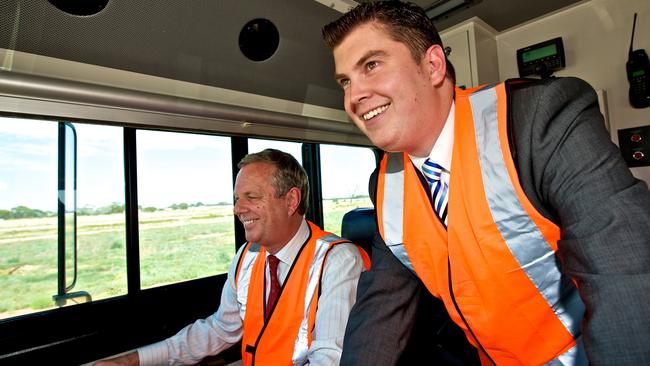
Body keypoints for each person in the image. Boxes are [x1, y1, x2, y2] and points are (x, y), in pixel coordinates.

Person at [322, 1, 650, 365]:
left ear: (432, 66)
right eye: (345, 81)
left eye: (371, 65)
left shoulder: (539, 122)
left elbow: (625, 278)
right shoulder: (384, 186)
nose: (354, 97)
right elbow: (380, 309)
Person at [95, 148, 369, 366]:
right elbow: (219, 330)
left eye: (251, 196)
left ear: (291, 200)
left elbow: (330, 360)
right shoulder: (247, 257)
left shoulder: (337, 261)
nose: (238, 209)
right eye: (237, 198)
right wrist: (134, 360)